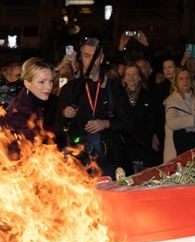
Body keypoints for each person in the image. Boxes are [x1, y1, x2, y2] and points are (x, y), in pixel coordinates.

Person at [54, 37, 133, 179]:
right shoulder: (70, 89)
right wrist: (65, 115)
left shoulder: (113, 87)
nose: (91, 61)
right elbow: (58, 129)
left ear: (101, 58)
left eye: (95, 56)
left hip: (109, 160)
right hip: (79, 163)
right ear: (81, 57)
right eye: (87, 56)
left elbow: (129, 123)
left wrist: (106, 123)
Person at [0, 57, 56, 157]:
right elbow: (24, 154)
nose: (48, 87)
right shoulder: (19, 112)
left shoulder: (35, 103)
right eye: (42, 82)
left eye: (50, 81)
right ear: (27, 83)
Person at [163, 67, 195, 162]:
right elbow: (172, 123)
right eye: (181, 78)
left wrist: (185, 126)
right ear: (176, 82)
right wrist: (194, 119)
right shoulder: (171, 101)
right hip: (176, 149)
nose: (185, 81)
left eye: (187, 78)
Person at [146, 58, 177, 166]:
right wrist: (153, 134)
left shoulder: (184, 86)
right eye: (165, 68)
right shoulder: (158, 88)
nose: (167, 70)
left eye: (170, 67)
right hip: (162, 129)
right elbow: (153, 113)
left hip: (181, 129)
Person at [121, 62, 151, 175]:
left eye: (134, 74)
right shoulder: (118, 96)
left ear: (139, 77)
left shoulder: (147, 95)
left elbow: (151, 120)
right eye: (128, 75)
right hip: (124, 146)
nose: (131, 77)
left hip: (143, 145)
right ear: (124, 78)